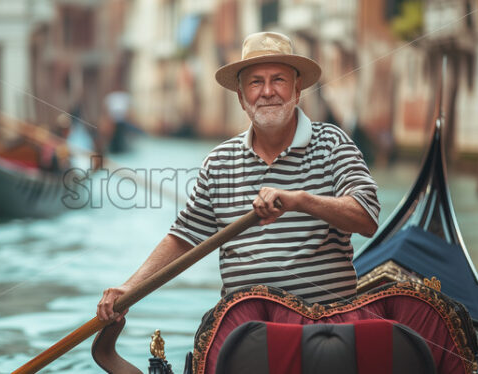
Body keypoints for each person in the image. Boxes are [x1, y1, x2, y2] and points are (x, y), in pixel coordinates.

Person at [96, 32, 380, 322]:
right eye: (256, 82)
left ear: (297, 92)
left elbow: (367, 218)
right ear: (242, 98)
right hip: (246, 331)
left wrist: (300, 201)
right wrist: (129, 287)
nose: (268, 91)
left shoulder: (333, 143)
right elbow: (183, 238)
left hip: (325, 323)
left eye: (278, 80)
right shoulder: (219, 162)